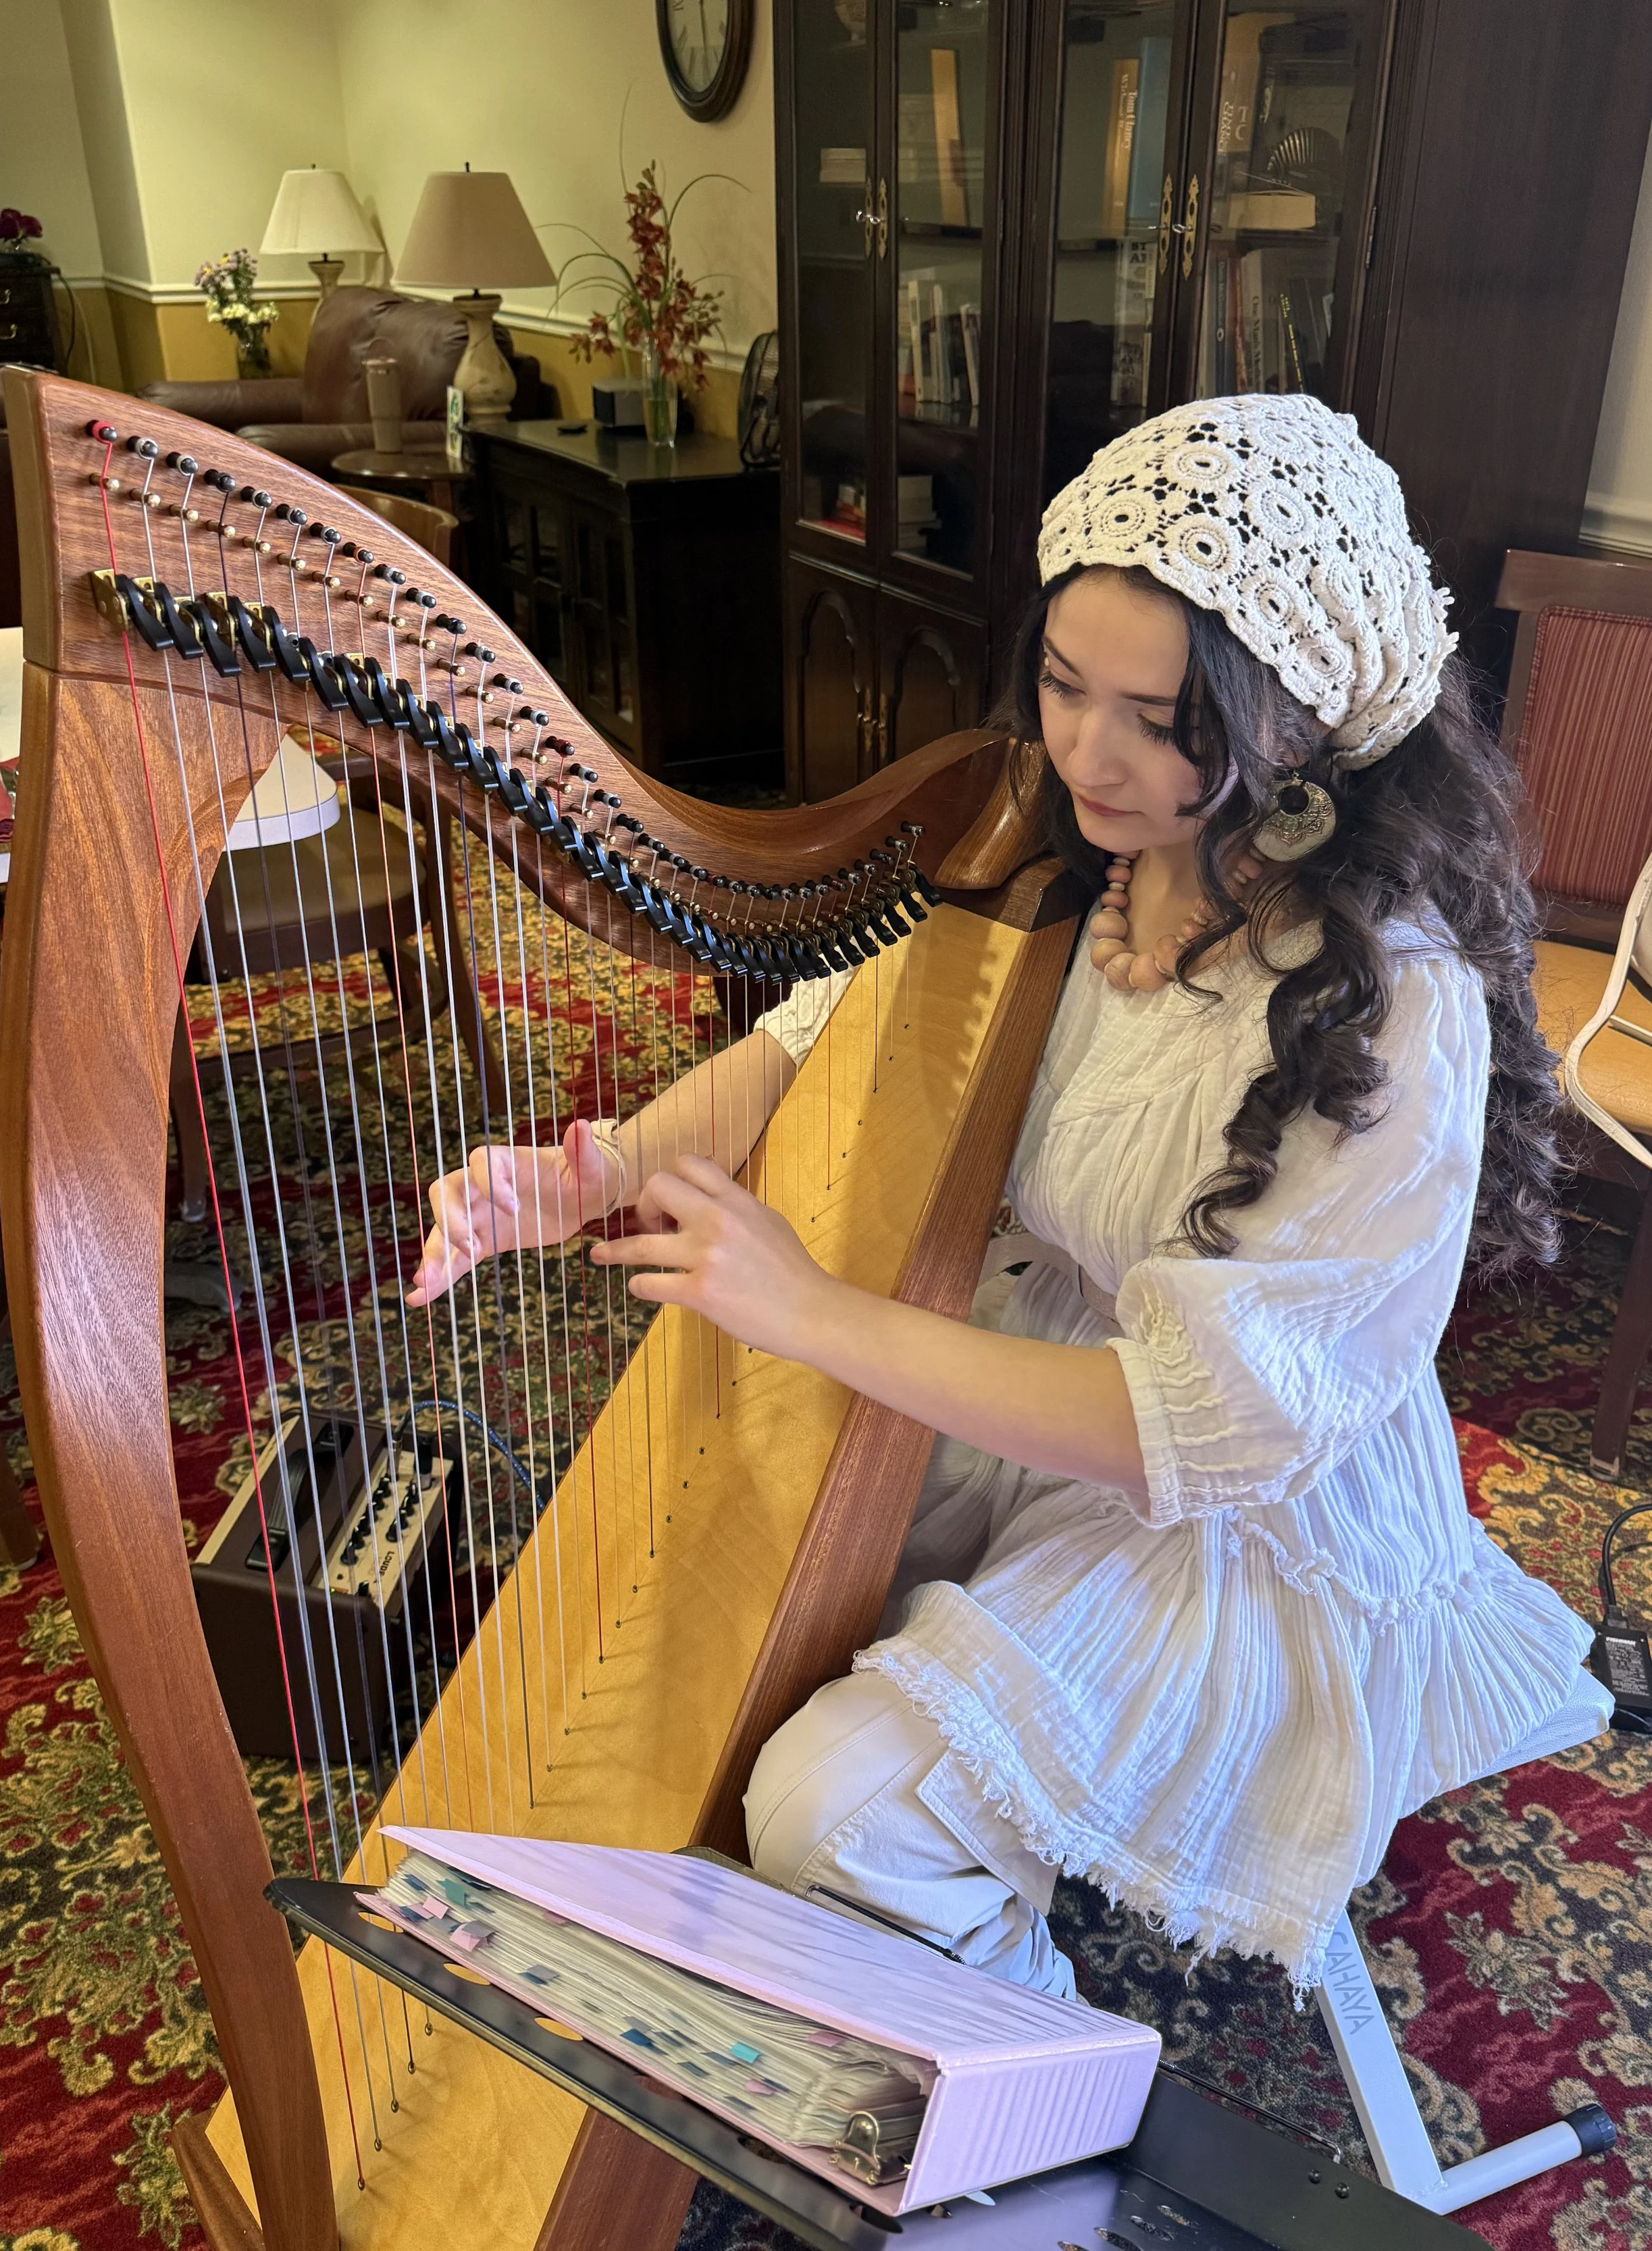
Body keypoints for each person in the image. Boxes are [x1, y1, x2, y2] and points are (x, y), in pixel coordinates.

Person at [407, 394, 1593, 1996]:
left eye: (1160, 719)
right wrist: (598, 1171)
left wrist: (815, 1312)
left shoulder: (1390, 1001)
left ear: (1296, 725)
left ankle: (1027, 2077)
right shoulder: (1079, 868)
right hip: (1007, 1381)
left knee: (824, 1808)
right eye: (1059, 682)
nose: (1084, 753)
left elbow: (1191, 1427)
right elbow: (809, 1037)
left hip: (1228, 1517)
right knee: (672, 1635)